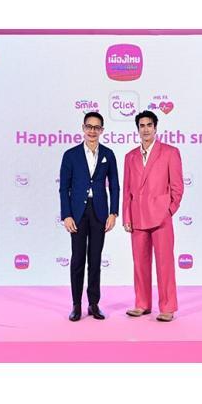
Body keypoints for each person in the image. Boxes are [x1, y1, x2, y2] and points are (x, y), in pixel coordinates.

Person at [122, 110, 184, 322]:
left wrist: (169, 210)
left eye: (149, 125)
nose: (146, 129)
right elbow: (127, 190)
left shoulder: (170, 152)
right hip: (137, 216)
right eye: (142, 126)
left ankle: (167, 307)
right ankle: (142, 303)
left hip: (161, 217)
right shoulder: (130, 156)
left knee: (165, 263)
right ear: (137, 129)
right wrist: (127, 216)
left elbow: (177, 187)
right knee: (139, 263)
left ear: (155, 128)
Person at [59, 112, 120, 321]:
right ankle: (76, 305)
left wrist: (113, 212)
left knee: (95, 260)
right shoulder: (70, 155)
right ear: (83, 128)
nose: (92, 131)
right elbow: (64, 188)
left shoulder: (108, 154)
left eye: (96, 127)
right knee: (77, 259)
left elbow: (114, 185)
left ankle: (94, 304)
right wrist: (66, 215)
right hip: (77, 213)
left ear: (102, 130)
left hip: (99, 212)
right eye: (89, 126)